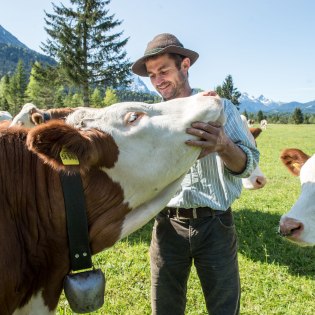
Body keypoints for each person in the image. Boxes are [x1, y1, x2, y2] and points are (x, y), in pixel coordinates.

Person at [131, 33, 260, 315]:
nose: (158, 80)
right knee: (164, 309)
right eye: (152, 75)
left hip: (215, 225)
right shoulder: (153, 117)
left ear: (185, 65)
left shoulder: (219, 107)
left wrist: (224, 146)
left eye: (163, 70)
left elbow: (248, 165)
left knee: (224, 309)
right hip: (167, 226)